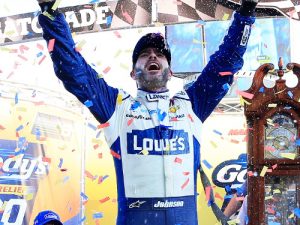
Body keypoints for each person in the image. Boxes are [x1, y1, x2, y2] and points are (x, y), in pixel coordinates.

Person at [35, 0, 258, 224]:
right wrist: (50, 13)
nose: (153, 56)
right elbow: (75, 72)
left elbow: (225, 63)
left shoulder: (191, 104)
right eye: (144, 54)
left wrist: (246, 13)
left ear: (170, 72)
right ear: (133, 73)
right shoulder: (117, 108)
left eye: (160, 54)